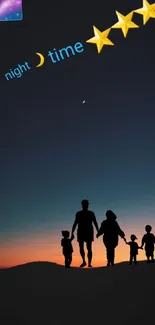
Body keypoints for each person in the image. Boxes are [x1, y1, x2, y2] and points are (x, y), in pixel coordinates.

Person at [71, 199, 99, 267]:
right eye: (84, 204)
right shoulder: (79, 213)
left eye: (86, 204)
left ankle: (89, 263)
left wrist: (98, 231)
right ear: (82, 205)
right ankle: (84, 261)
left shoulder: (91, 213)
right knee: (81, 248)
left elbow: (95, 223)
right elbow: (75, 223)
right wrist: (72, 232)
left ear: (87, 205)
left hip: (88, 232)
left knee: (89, 248)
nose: (85, 205)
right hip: (81, 232)